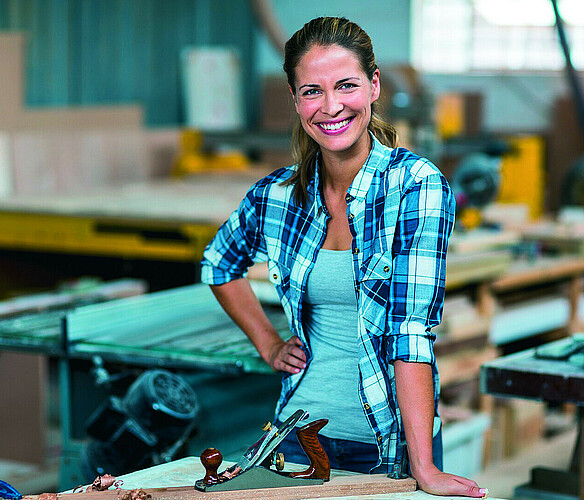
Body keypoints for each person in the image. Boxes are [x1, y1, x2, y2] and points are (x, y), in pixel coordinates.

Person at [201, 16, 487, 498]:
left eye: (347, 86)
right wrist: (269, 343)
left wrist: (423, 467)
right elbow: (219, 263)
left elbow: (410, 330)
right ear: (295, 100)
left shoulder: (415, 186)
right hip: (297, 438)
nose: (331, 107)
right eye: (312, 91)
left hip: (389, 444)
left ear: (374, 87)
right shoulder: (277, 195)